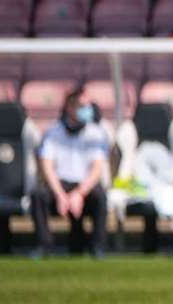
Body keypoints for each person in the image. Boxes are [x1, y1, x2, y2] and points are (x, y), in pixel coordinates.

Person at [26, 90, 111, 257]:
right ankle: (44, 245)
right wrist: (61, 195)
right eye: (83, 106)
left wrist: (79, 193)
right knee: (38, 195)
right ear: (70, 107)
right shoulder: (52, 132)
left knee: (100, 197)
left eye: (88, 106)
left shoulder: (97, 133)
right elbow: (47, 166)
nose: (88, 110)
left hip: (85, 185)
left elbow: (96, 169)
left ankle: (97, 247)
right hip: (59, 184)